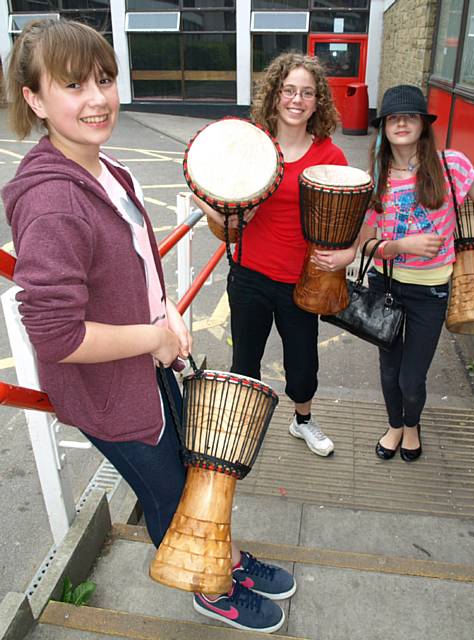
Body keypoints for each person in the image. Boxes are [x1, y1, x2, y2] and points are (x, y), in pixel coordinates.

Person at [3, 19, 295, 634]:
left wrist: (164, 313)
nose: (98, 98)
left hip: (145, 368)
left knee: (193, 477)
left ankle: (228, 560)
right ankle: (209, 587)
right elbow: (55, 335)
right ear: (34, 99)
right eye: (73, 85)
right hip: (110, 394)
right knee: (170, 495)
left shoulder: (109, 171)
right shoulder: (52, 200)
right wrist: (155, 337)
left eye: (104, 80)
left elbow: (136, 267)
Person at [194, 52, 357, 457]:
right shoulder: (251, 143)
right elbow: (207, 188)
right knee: (244, 359)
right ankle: (242, 428)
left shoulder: (330, 155)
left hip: (302, 281)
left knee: (302, 366)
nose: (296, 100)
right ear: (275, 95)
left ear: (318, 101)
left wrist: (348, 253)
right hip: (249, 274)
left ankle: (302, 421)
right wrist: (219, 212)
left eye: (307, 92)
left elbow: (355, 214)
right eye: (289, 91)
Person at [359, 84, 474, 462]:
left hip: (431, 291)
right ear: (384, 127)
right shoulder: (375, 178)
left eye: (410, 116)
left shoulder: (452, 166)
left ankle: (412, 424)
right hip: (386, 285)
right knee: (389, 370)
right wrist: (400, 247)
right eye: (393, 117)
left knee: (412, 378)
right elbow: (366, 244)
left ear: (423, 124)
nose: (401, 123)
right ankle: (396, 426)